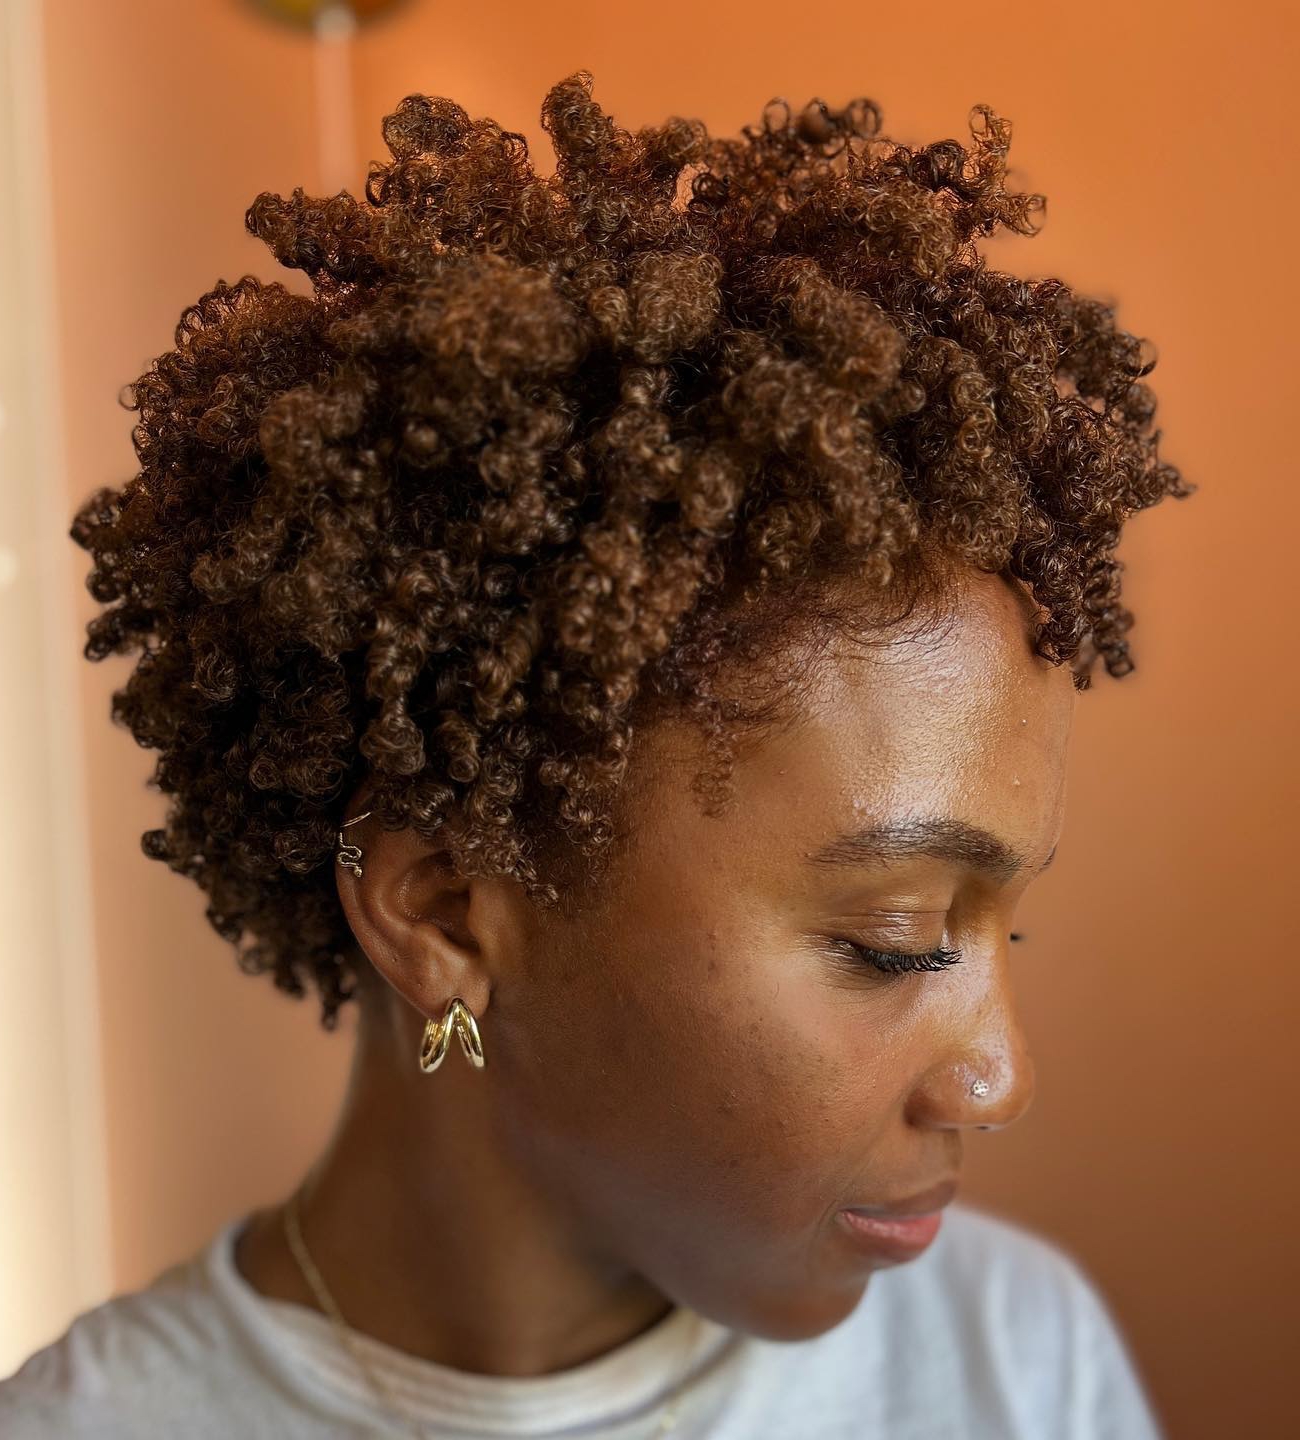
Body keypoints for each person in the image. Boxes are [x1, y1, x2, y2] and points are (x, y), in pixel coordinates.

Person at [0, 69, 1189, 1438]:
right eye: (895, 939)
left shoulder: (1014, 1365)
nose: (1000, 1078)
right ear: (448, 912)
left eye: (1003, 935)